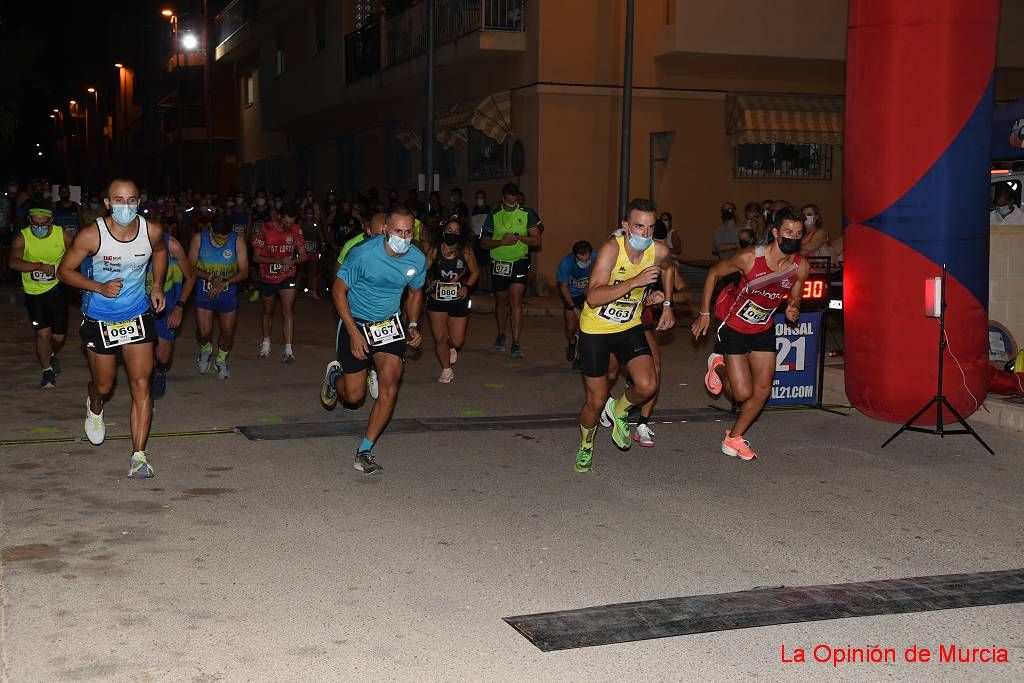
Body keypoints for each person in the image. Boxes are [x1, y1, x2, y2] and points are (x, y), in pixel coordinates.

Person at [57, 178, 168, 479]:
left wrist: (156, 285)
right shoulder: (92, 235)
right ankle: (94, 403)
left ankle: (139, 456)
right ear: (107, 203)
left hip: (137, 316)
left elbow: (160, 252)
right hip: (99, 320)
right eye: (119, 200)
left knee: (141, 383)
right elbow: (63, 271)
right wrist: (98, 286)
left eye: (132, 200)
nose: (126, 206)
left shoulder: (151, 230)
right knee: (104, 386)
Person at [691, 207, 810, 461]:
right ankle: (717, 364)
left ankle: (733, 438)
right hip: (734, 325)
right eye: (788, 232)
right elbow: (713, 274)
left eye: (798, 234)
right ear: (776, 232)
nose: (793, 237)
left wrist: (793, 308)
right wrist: (704, 314)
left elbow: (795, 299)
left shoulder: (801, 267)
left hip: (763, 328)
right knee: (741, 394)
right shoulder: (749, 258)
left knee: (763, 390)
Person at [319, 207, 426, 475]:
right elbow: (338, 291)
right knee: (354, 397)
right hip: (356, 322)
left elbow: (415, 293)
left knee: (390, 386)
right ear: (385, 231)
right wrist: (354, 333)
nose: (404, 237)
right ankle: (335, 378)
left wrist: (412, 324)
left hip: (389, 325)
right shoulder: (363, 254)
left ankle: (364, 450)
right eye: (398, 231)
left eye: (408, 231)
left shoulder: (417, 258)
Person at [574, 199, 676, 473]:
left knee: (647, 384)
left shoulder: (658, 250)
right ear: (626, 226)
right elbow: (593, 297)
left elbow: (669, 267)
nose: (645, 234)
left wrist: (666, 303)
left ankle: (619, 410)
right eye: (639, 227)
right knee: (594, 402)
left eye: (650, 228)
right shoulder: (611, 250)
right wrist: (636, 281)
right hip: (595, 329)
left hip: (628, 325)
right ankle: (586, 445)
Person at [10, 204, 72, 387]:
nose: (38, 227)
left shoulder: (62, 234)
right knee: (42, 334)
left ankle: (50, 354)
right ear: (30, 221)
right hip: (34, 293)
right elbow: (14, 262)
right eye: (35, 223)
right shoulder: (23, 237)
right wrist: (38, 266)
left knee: (58, 337)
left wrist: (65, 268)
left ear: (51, 221)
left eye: (43, 224)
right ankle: (47, 371)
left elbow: (78, 252)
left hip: (57, 289)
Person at [479, 182, 543, 358]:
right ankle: (501, 333)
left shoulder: (527, 214)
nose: (512, 204)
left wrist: (519, 238)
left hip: (519, 261)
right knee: (501, 300)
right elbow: (483, 242)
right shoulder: (494, 214)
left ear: (518, 198)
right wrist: (501, 242)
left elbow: (537, 241)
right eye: (508, 202)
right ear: (503, 198)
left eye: (514, 201)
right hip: (499, 262)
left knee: (516, 300)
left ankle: (516, 342)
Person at [191, 213, 249, 379]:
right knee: (204, 332)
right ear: (211, 230)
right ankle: (205, 349)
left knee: (227, 332)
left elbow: (244, 271)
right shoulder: (198, 239)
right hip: (204, 289)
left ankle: (221, 360)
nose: (223, 242)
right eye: (219, 238)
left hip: (227, 291)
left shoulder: (237, 240)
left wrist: (225, 283)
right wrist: (210, 277)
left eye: (226, 238)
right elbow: (189, 266)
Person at [425, 217, 480, 383]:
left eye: (456, 232)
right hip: (437, 298)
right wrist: (428, 282)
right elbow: (423, 269)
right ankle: (446, 369)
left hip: (458, 298)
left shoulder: (466, 251)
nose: (452, 234)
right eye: (449, 231)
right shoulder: (435, 250)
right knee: (440, 337)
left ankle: (451, 348)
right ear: (443, 232)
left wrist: (467, 286)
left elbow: (475, 272)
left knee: (457, 340)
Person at [252, 202, 307, 362]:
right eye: (287, 222)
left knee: (288, 310)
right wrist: (278, 260)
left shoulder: (296, 229)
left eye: (292, 222)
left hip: (287, 276)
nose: (289, 225)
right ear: (279, 216)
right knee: (268, 311)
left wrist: (292, 261)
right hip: (268, 277)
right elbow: (256, 257)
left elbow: (303, 255)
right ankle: (266, 342)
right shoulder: (266, 229)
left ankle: (288, 349)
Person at [148, 229, 197, 400]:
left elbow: (191, 277)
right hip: (137, 303)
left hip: (166, 303)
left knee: (163, 356)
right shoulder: (126, 243)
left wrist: (179, 306)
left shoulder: (173, 246)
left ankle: (160, 371)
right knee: (141, 354)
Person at [555, 240, 593, 370]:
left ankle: (580, 357)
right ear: (575, 256)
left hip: (589, 294)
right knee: (571, 327)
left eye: (586, 259)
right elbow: (563, 287)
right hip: (572, 295)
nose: (584, 263)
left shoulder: (596, 258)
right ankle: (572, 341)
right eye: (581, 260)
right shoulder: (566, 263)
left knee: (586, 327)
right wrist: (573, 307)